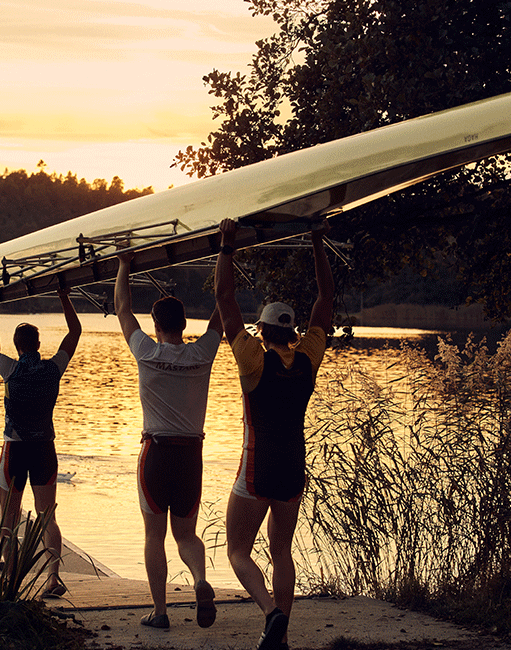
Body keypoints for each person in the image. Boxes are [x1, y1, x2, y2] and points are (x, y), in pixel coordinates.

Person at [214, 218, 334, 650]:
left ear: (262, 331)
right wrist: (319, 241)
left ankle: (271, 614)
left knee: (237, 552)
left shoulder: (252, 359)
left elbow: (224, 298)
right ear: (293, 332)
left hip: (257, 467)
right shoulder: (309, 357)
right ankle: (281, 641)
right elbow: (326, 298)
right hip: (292, 468)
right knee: (281, 551)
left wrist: (227, 245)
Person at [114, 251, 223, 630]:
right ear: (184, 324)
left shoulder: (146, 351)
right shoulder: (202, 353)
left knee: (154, 535)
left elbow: (122, 308)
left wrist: (125, 265)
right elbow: (223, 306)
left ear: (155, 324)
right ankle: (199, 580)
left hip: (156, 455)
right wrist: (226, 254)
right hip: (191, 455)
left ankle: (160, 612)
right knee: (186, 534)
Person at [0, 284, 82, 598]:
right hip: (44, 449)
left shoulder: (9, 367)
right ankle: (52, 577)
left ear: (17, 346)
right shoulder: (52, 368)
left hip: (15, 450)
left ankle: (12, 580)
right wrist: (63, 296)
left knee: (8, 519)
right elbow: (75, 331)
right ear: (38, 344)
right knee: (48, 517)